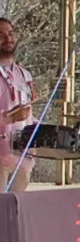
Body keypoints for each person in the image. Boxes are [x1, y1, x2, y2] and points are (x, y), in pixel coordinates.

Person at [0, 17, 39, 187]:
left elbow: (27, 116)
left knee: (15, 213)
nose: (8, 38)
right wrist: (8, 119)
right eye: (0, 35)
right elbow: (12, 116)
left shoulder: (24, 75)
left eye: (10, 33)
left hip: (22, 160)